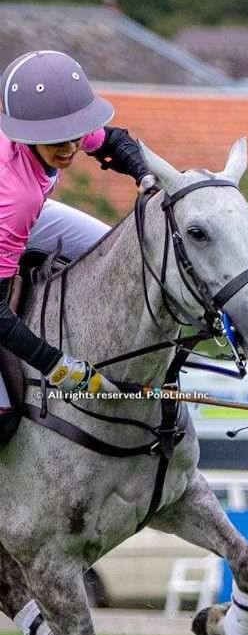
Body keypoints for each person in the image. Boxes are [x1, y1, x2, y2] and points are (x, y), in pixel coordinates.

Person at [0, 50, 153, 419]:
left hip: (28, 211)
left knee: (112, 252)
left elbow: (113, 142)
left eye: (74, 136)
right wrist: (56, 363)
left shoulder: (55, 127)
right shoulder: (16, 197)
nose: (70, 148)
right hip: (12, 210)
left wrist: (145, 177)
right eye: (58, 141)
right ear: (28, 133)